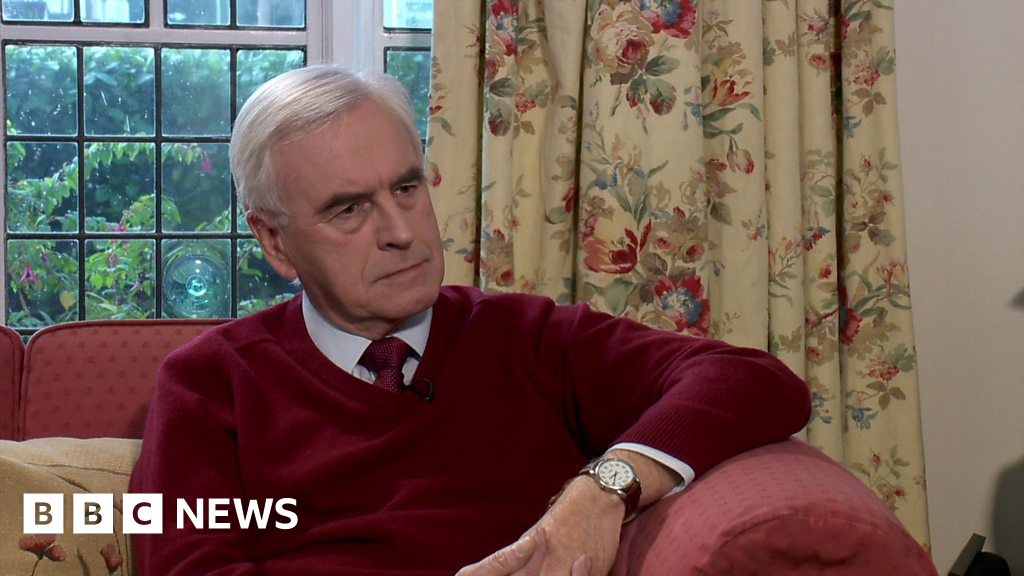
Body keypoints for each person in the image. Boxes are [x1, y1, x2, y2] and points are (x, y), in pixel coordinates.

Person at [129, 65, 810, 575]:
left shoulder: (531, 339)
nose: (402, 232)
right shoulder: (207, 384)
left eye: (406, 188)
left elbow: (755, 381)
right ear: (275, 242)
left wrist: (604, 488)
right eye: (349, 209)